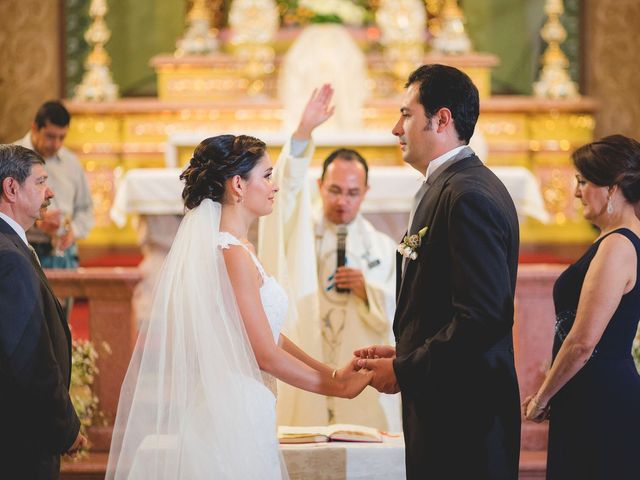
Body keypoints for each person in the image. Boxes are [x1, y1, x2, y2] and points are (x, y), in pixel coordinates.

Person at [106, 134, 372, 479]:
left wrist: (332, 372)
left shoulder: (239, 248)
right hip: (233, 409)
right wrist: (335, 387)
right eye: (267, 175)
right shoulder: (231, 253)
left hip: (246, 404)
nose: (274, 187)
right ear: (238, 185)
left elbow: (268, 334)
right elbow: (264, 354)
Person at [354, 64, 521, 479]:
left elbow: (481, 318)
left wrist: (406, 369)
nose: (396, 128)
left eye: (407, 114)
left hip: (466, 418)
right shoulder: (446, 185)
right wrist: (406, 351)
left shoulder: (468, 196)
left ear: (441, 119)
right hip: (445, 405)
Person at [259, 85, 398, 430]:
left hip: (360, 371)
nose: (342, 201)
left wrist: (369, 291)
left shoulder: (382, 246)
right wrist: (304, 132)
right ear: (320, 186)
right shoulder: (299, 231)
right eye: (335, 190)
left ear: (366, 192)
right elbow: (286, 188)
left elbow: (405, 311)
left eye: (353, 193)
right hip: (307, 360)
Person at [523, 135, 640, 479]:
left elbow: (582, 342)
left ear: (613, 189)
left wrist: (542, 398)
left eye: (583, 181)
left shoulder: (618, 244)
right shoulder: (615, 239)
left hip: (601, 400)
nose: (575, 192)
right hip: (591, 394)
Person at [0, 144, 86, 479]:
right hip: (22, 437)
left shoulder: (12, 245)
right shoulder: (10, 258)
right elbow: (30, 358)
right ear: (11, 188)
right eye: (39, 182)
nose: (49, 192)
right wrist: (63, 427)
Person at [14, 100, 94, 269]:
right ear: (35, 127)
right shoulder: (11, 157)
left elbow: (85, 208)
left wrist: (73, 232)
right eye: (50, 136)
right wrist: (35, 221)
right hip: (23, 250)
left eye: (62, 137)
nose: (56, 144)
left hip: (65, 253)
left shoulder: (71, 162)